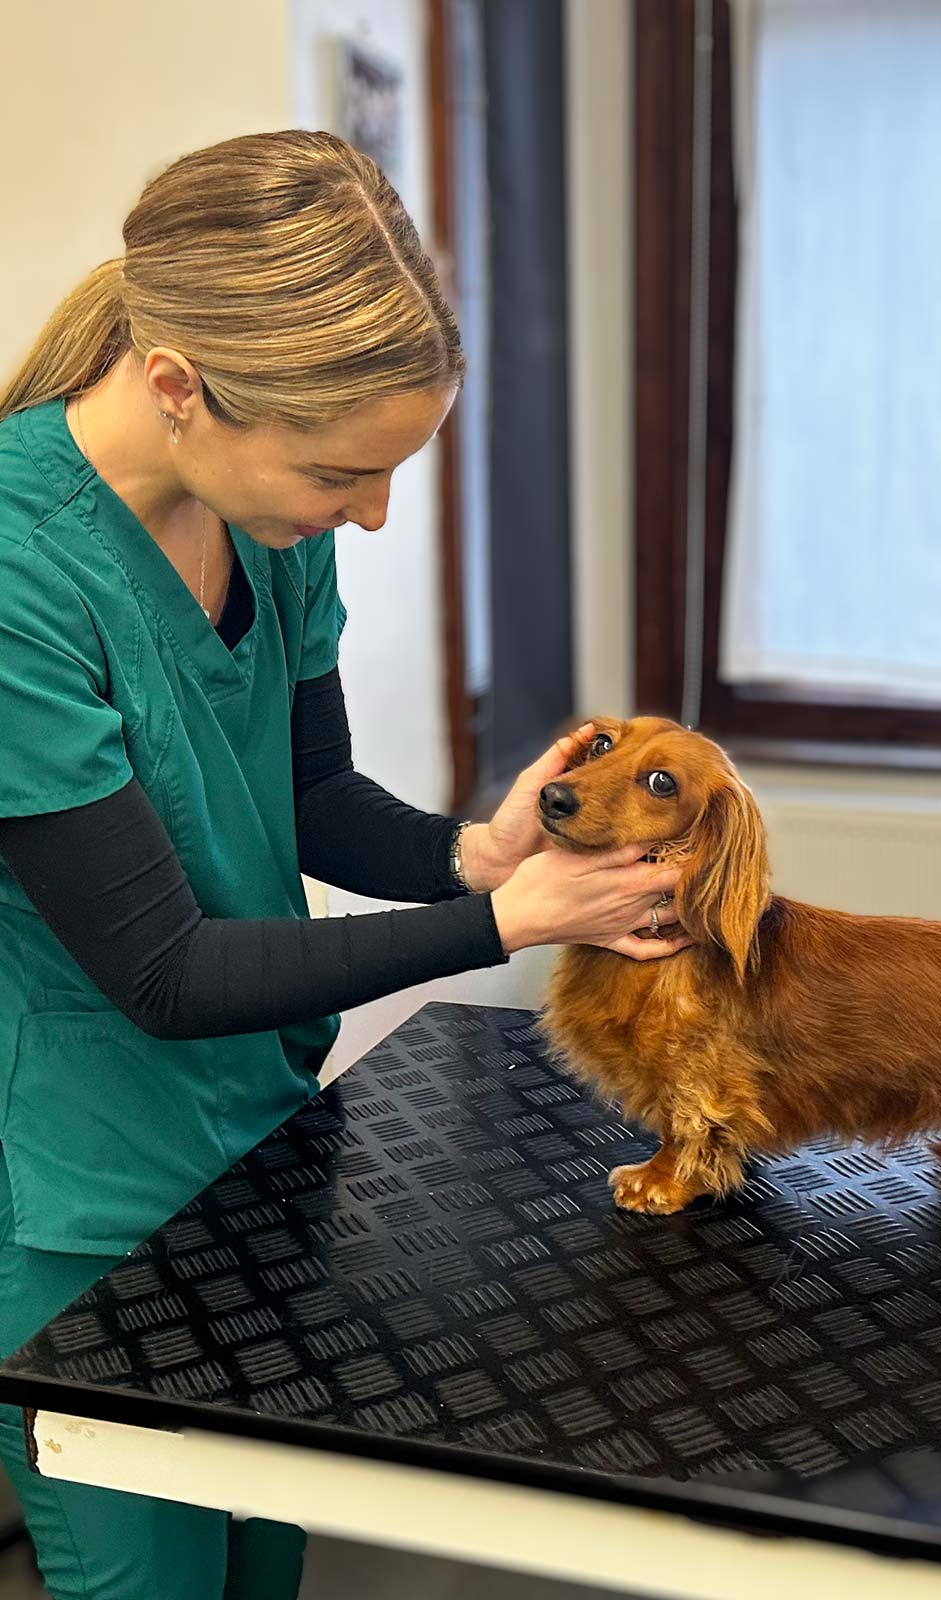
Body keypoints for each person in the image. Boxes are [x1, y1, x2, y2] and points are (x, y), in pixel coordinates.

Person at [0, 128, 690, 1600]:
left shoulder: (268, 518)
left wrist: (470, 851)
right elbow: (167, 970)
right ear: (181, 385)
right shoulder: (15, 571)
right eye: (340, 473)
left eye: (388, 472)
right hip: (78, 1185)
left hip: (259, 1135)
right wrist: (504, 919)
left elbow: (305, 791)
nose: (367, 515)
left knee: (268, 1561)